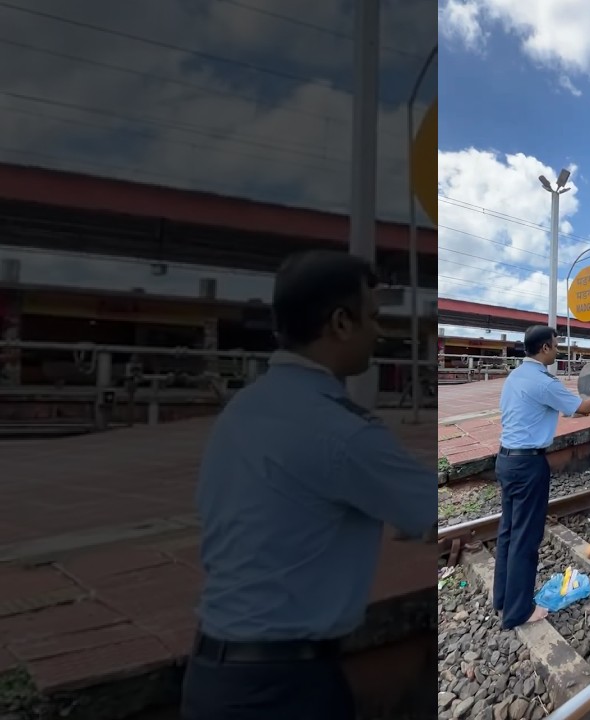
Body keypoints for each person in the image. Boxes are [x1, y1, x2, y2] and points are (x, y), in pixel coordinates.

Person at [181, 251, 436, 720]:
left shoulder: (242, 410)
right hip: (284, 690)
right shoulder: (342, 432)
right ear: (341, 322)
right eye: (373, 317)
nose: (379, 332)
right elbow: (432, 510)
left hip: (209, 677)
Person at [493, 324, 590, 628]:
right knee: (526, 538)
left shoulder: (514, 377)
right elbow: (583, 409)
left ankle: (503, 599)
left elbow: (568, 411)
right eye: (555, 345)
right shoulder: (543, 381)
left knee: (508, 533)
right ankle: (519, 612)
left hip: (505, 460)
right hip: (528, 466)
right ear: (545, 348)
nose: (558, 349)